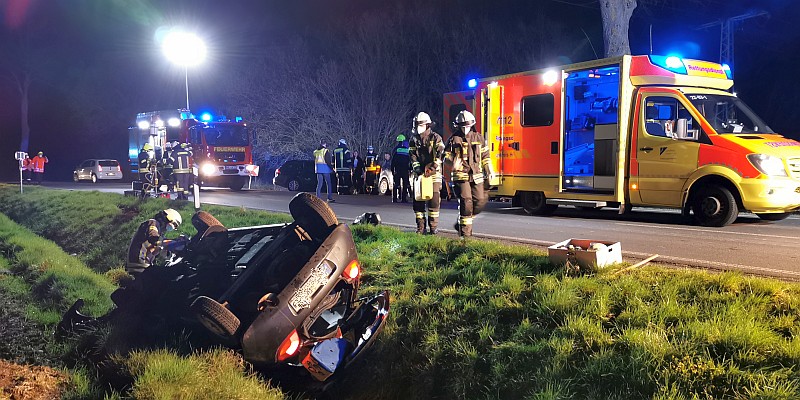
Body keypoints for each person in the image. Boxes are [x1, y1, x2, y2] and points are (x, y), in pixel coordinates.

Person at [444, 110, 492, 237]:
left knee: (480, 200)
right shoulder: (453, 139)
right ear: (458, 126)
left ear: (472, 125)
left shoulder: (479, 138)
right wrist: (453, 162)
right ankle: (465, 236)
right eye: (462, 126)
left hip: (476, 175)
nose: (465, 129)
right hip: (461, 176)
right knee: (466, 201)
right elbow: (445, 157)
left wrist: (489, 170)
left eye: (467, 126)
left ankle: (462, 222)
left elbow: (485, 156)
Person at [409, 112, 445, 234]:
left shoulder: (436, 138)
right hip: (420, 174)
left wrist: (432, 168)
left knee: (434, 200)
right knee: (418, 201)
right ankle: (420, 227)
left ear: (427, 125)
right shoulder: (414, 139)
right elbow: (412, 156)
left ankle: (433, 227)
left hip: (434, 174)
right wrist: (417, 168)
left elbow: (440, 155)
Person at [125, 209, 182, 276]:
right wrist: (174, 244)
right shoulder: (153, 223)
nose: (173, 227)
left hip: (140, 263)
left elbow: (156, 248)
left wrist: (168, 252)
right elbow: (154, 238)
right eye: (174, 224)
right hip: (139, 263)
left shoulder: (158, 231)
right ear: (168, 218)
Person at [391, 134, 411, 203]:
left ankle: (394, 199)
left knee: (396, 184)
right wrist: (410, 169)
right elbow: (410, 160)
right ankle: (403, 199)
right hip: (405, 169)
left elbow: (393, 160)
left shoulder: (396, 149)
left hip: (397, 169)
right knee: (405, 184)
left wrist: (392, 169)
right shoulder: (407, 150)